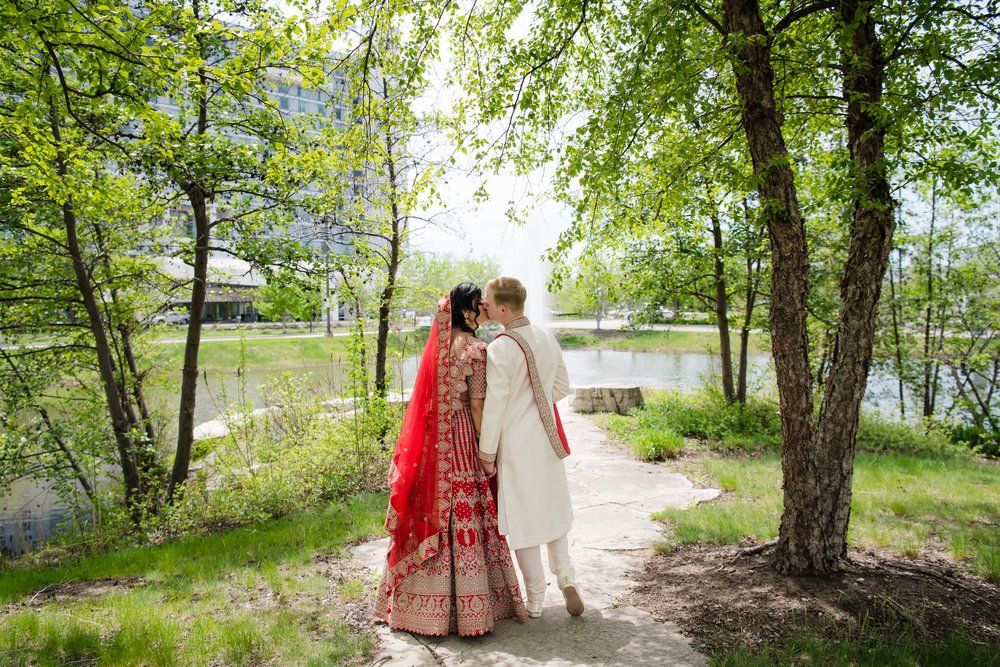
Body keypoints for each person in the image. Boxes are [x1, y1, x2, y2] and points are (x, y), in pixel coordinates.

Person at [373, 283, 527, 636]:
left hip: (434, 435)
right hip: (458, 435)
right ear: (466, 311)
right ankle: (470, 610)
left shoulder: (438, 348)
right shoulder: (476, 350)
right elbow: (477, 404)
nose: (484, 309)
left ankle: (419, 608)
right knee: (464, 509)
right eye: (479, 305)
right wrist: (486, 444)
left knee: (433, 510)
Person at [478, 276, 584, 618]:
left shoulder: (500, 347)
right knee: (552, 513)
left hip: (516, 448)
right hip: (547, 441)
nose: (484, 305)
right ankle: (566, 577)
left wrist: (486, 454)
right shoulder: (546, 336)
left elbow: (495, 405)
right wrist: (536, 403)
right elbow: (562, 387)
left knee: (523, 524)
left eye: (489, 302)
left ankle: (535, 600)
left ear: (504, 309)